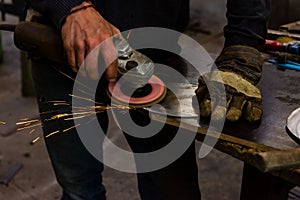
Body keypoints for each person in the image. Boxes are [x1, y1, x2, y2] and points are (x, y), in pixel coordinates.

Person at [25, 0, 270, 199]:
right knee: (79, 188)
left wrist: (243, 43)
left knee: (172, 190)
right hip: (62, 42)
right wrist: (71, 7)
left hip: (159, 48)